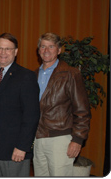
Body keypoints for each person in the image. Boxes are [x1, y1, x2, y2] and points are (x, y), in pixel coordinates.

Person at [33, 32, 91, 176]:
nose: (46, 50)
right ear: (39, 50)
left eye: (51, 46)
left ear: (59, 50)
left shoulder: (71, 74)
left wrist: (77, 140)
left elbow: (82, 110)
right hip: (37, 139)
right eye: (43, 46)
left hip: (60, 140)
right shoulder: (32, 75)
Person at [0, 33, 40, 177]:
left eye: (8, 49)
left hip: (14, 150)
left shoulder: (26, 77)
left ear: (15, 52)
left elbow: (31, 116)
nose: (3, 53)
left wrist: (22, 147)